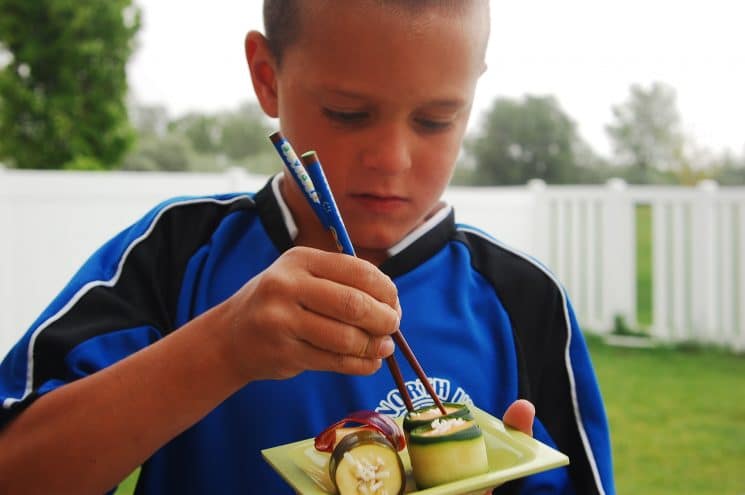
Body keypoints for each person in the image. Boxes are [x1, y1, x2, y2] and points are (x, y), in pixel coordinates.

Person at [0, 1, 614, 494]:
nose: (392, 160)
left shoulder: (522, 300)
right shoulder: (177, 252)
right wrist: (222, 348)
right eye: (348, 113)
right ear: (268, 77)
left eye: (435, 120)